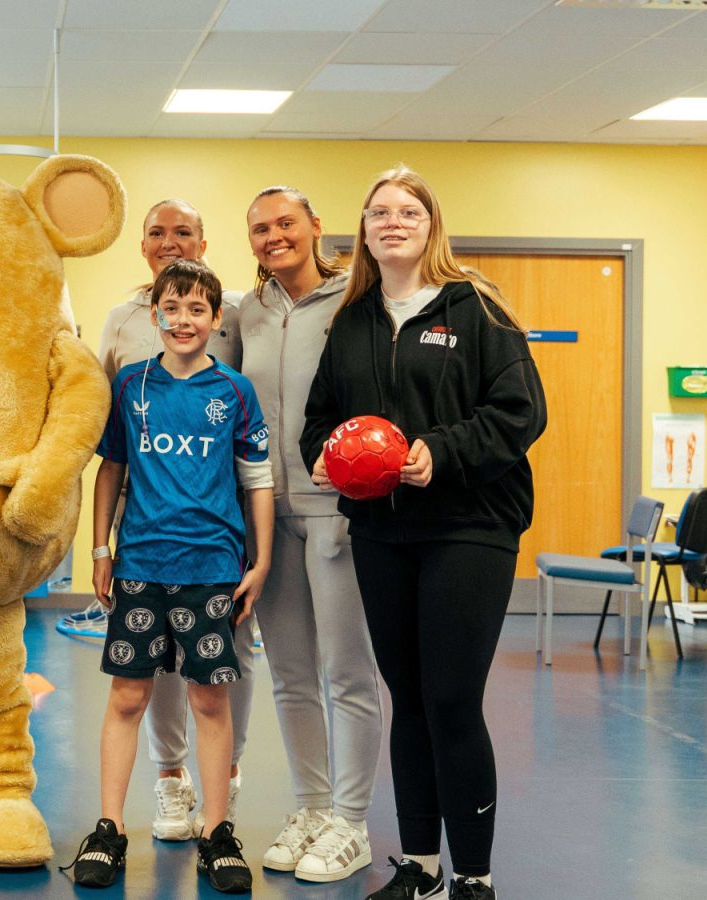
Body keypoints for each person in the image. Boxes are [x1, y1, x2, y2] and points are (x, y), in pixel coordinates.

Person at [301, 167, 546, 900]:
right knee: (405, 696)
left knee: (450, 699)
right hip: (383, 530)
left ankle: (473, 877)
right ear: (365, 230)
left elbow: (519, 412)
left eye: (408, 210)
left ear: (431, 225)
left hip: (470, 526)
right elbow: (323, 414)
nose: (393, 221)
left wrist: (441, 451)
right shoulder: (352, 321)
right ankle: (419, 868)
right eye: (379, 211)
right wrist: (324, 455)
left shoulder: (477, 308)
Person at [63, 259, 273, 894]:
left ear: (215, 319)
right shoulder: (131, 385)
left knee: (209, 699)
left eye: (197, 310)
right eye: (172, 308)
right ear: (154, 314)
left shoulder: (234, 391)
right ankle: (109, 829)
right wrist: (99, 549)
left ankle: (216, 832)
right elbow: (111, 470)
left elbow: (256, 478)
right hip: (139, 567)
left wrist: (260, 561)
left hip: (212, 568)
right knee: (128, 697)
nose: (184, 320)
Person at [91, 198, 251, 841]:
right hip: (143, 533)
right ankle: (168, 780)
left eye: (183, 231)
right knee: (144, 677)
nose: (170, 241)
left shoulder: (236, 313)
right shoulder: (123, 327)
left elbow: (249, 436)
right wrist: (100, 545)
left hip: (216, 534)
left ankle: (223, 789)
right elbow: (108, 438)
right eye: (157, 232)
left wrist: (255, 551)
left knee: (219, 673)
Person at [238, 186, 382, 883]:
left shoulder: (356, 298)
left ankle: (352, 821)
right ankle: (312, 810)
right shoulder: (248, 310)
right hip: (267, 512)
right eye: (260, 228)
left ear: (315, 226)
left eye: (285, 223)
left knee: (349, 673)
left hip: (337, 507)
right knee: (291, 674)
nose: (274, 237)